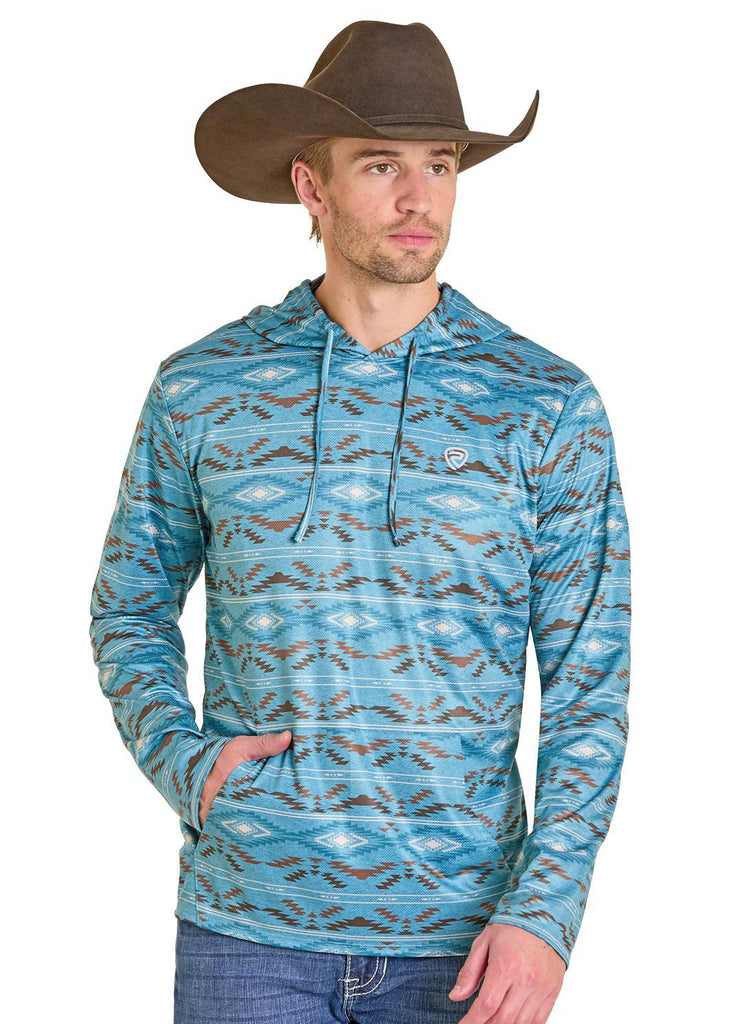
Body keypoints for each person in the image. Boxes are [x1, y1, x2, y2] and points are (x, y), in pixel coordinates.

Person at [89, 19, 631, 1024]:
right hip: (247, 931)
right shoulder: (204, 389)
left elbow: (589, 684)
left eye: (440, 164)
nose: (420, 196)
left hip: (467, 941)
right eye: (381, 164)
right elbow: (128, 607)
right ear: (312, 185)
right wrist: (185, 763)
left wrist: (548, 912)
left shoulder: (545, 405)